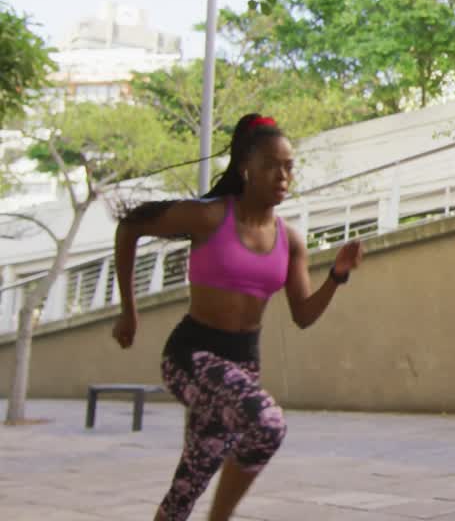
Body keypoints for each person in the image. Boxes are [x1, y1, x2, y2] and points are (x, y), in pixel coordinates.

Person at [111, 113, 363, 521]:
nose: (283, 175)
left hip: (243, 366)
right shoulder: (210, 216)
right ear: (247, 168)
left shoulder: (290, 241)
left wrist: (336, 276)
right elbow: (130, 226)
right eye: (272, 166)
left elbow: (303, 315)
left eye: (289, 167)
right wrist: (129, 312)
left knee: (186, 487)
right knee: (267, 425)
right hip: (191, 357)